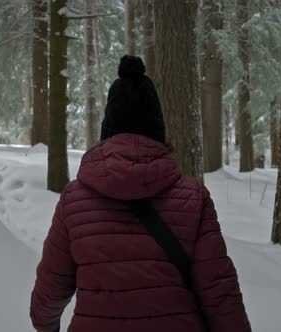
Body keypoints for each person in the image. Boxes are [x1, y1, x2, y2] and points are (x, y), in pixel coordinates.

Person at [30, 55, 251, 332]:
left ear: (107, 128)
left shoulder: (74, 200)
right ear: (157, 129)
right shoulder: (193, 198)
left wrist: (46, 325)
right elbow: (220, 292)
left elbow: (50, 289)